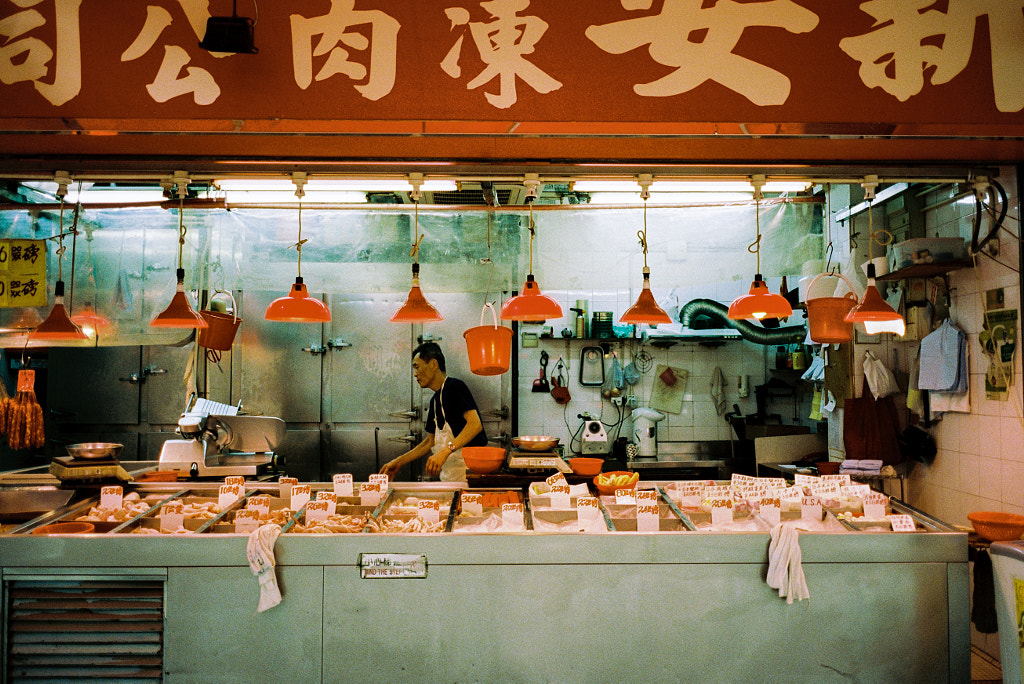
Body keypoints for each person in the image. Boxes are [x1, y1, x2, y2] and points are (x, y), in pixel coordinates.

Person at [380, 342, 488, 481]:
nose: (415, 374)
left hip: (470, 476)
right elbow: (429, 442)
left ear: (433, 364)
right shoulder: (435, 400)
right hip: (449, 477)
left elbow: (475, 425)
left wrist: (445, 451)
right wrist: (399, 461)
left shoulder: (455, 387)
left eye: (417, 367)